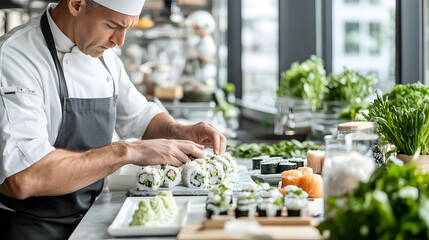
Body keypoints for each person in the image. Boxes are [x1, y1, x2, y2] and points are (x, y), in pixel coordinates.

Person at [0, 0, 226, 239]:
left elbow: (139, 116)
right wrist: (127, 151)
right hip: (29, 227)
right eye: (112, 25)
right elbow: (24, 177)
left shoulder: (105, 56)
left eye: (127, 28)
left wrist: (178, 130)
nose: (120, 41)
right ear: (76, 4)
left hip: (90, 215)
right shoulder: (14, 57)